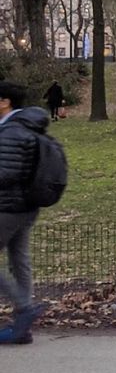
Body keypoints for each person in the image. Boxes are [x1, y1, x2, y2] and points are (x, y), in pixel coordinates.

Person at [0, 82, 48, 345]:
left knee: (19, 261)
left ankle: (24, 308)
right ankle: (22, 327)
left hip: (8, 207)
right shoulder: (26, 126)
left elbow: (7, 173)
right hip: (25, 207)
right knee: (19, 260)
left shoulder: (12, 131)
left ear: (5, 102)